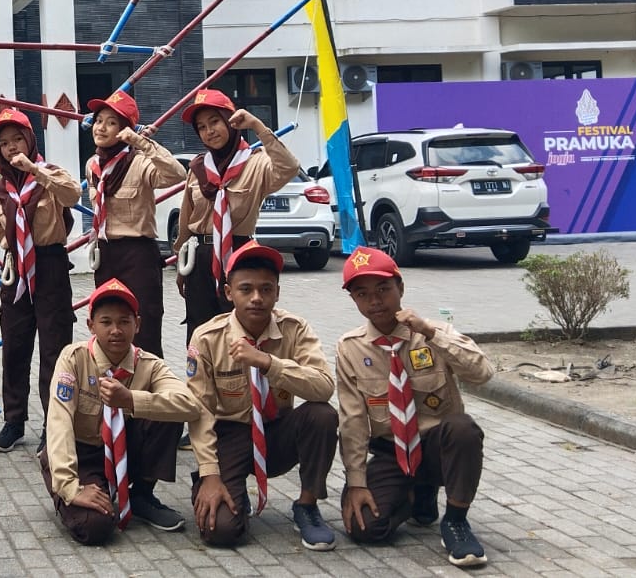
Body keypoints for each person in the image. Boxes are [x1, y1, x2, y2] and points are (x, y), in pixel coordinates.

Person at [335, 246, 494, 568]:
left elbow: (482, 373)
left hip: (437, 448)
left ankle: (456, 520)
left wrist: (431, 333)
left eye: (383, 289)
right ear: (354, 300)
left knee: (463, 428)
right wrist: (356, 482)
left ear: (401, 287)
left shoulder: (434, 332)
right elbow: (352, 420)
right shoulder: (350, 348)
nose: (375, 301)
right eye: (363, 294)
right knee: (365, 527)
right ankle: (415, 494)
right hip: (391, 452)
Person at [186, 242, 339, 550]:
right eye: (246, 289)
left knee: (322, 415)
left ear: (277, 293)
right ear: (229, 293)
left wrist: (268, 363)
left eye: (266, 289)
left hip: (277, 431)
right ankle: (215, 487)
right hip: (230, 435)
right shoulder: (207, 338)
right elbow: (199, 412)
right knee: (222, 531)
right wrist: (210, 474)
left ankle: (307, 505)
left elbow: (324, 386)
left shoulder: (294, 329)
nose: (256, 297)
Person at [39, 279, 203, 544]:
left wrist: (130, 400)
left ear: (137, 324)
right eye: (106, 322)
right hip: (82, 455)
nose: (116, 330)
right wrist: (70, 487)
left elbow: (191, 405)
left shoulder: (148, 365)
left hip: (123, 451)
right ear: (91, 325)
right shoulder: (74, 359)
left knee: (167, 410)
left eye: (124, 322)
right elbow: (59, 423)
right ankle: (90, 492)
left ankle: (141, 495)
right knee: (95, 526)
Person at [0, 107, 80, 454]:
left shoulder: (50, 174)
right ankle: (14, 421)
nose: (11, 147)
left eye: (17, 139)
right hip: (16, 269)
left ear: (30, 140)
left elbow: (73, 195)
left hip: (50, 265)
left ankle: (53, 425)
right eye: (4, 143)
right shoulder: (0, 189)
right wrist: (9, 245)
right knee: (14, 346)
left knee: (54, 348)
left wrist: (35, 170)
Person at [172, 89, 300, 346]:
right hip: (200, 255)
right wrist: (181, 263)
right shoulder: (198, 168)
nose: (209, 131)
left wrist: (257, 126)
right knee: (200, 327)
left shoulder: (256, 163)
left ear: (231, 122)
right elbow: (186, 220)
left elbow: (289, 168)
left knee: (241, 325)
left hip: (240, 254)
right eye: (201, 127)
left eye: (215, 122)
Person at [83, 89, 188, 358]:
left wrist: (142, 142)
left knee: (145, 327)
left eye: (111, 123)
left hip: (137, 254)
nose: (101, 128)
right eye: (98, 120)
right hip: (106, 254)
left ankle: (149, 383)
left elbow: (177, 174)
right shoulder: (93, 166)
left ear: (125, 129)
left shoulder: (139, 163)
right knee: (107, 325)